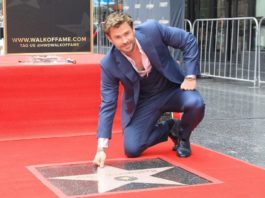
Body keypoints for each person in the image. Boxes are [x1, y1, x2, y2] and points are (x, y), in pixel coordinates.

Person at [93, 12, 205, 167]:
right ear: (109, 38)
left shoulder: (152, 30)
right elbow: (108, 103)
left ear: (132, 29)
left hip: (171, 89)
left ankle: (183, 138)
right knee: (132, 148)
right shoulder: (108, 64)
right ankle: (170, 127)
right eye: (118, 37)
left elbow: (188, 40)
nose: (125, 40)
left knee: (196, 103)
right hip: (144, 102)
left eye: (127, 33)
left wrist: (190, 75)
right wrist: (101, 148)